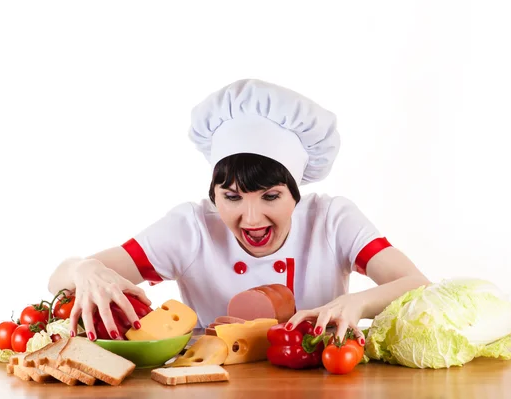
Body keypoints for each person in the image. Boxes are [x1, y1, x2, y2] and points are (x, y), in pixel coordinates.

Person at [47, 79, 430, 344]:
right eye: (232, 197)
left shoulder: (332, 220)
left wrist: (356, 302)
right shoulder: (191, 228)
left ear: (297, 194)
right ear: (213, 195)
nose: (251, 219)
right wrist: (85, 270)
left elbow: (417, 283)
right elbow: (58, 282)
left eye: (270, 196)